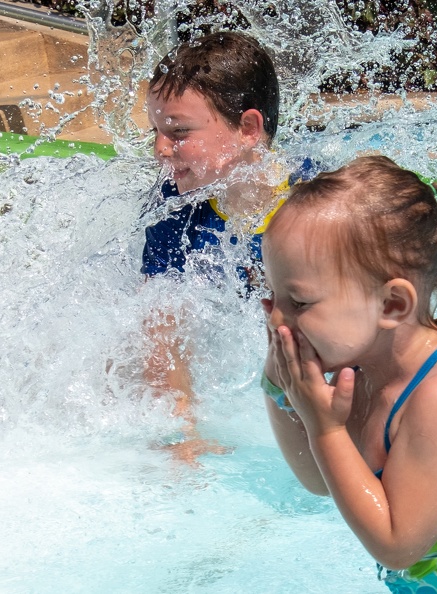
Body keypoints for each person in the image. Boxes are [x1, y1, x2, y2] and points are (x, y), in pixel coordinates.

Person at [260, 156, 437, 593]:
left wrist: (326, 429)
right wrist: (280, 387)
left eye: (298, 302)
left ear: (392, 304)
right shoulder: (363, 368)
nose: (276, 317)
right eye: (271, 295)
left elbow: (398, 546)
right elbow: (317, 480)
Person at [141, 31, 315, 461]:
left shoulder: (318, 202)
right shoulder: (172, 209)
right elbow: (160, 329)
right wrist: (183, 433)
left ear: (248, 129)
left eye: (178, 132)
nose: (160, 149)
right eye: (156, 131)